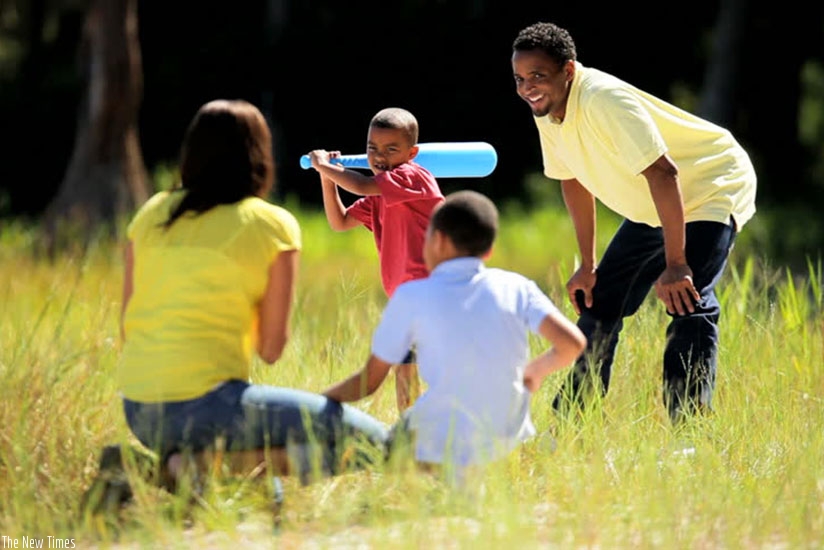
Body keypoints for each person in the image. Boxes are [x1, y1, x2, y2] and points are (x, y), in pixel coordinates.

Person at [107, 99, 389, 499]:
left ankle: (153, 469)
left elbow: (127, 328)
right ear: (260, 156)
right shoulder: (271, 225)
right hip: (209, 405)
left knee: (268, 496)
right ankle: (181, 466)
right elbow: (271, 349)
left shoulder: (152, 212)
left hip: (139, 408)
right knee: (382, 444)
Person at [510, 22, 757, 424]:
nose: (527, 87)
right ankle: (574, 423)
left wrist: (676, 264)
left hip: (711, 183)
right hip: (655, 203)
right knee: (599, 302)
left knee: (687, 299)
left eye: (538, 76)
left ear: (568, 70)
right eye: (520, 78)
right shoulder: (548, 109)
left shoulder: (603, 100)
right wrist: (587, 265)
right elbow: (571, 179)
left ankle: (689, 431)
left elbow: (665, 173)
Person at [322, 190, 586, 477]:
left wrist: (318, 401)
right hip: (508, 433)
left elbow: (369, 382)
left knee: (377, 451)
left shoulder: (412, 294)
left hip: (440, 435)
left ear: (438, 241)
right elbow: (572, 343)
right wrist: (534, 371)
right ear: (489, 251)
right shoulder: (516, 285)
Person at [306, 107, 445, 414]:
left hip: (433, 292)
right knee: (405, 366)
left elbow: (361, 183)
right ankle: (409, 432)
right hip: (405, 298)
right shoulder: (381, 196)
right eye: (373, 148)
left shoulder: (414, 177)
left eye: (391, 149)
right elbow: (340, 222)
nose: (379, 156)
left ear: (412, 152)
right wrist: (326, 177)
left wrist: (323, 165)